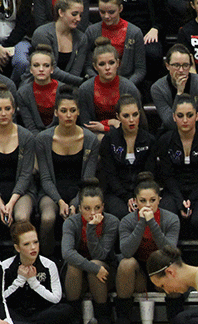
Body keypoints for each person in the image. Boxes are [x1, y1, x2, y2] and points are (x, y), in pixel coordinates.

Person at [2, 221, 96, 324]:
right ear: (17, 248)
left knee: (65, 309)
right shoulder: (5, 267)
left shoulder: (48, 264)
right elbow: (2, 300)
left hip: (39, 313)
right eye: (26, 244)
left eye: (35, 242)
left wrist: (34, 282)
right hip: (15, 313)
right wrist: (20, 280)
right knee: (14, 322)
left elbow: (56, 298)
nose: (33, 247)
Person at [34, 87, 100, 256]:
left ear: (78, 112)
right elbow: (46, 178)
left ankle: (77, 261)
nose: (68, 115)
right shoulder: (43, 139)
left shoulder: (90, 139)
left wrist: (75, 202)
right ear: (56, 113)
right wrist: (60, 202)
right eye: (64, 111)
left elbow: (88, 179)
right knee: (48, 218)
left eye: (72, 110)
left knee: (78, 216)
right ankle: (46, 261)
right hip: (51, 191)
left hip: (80, 191)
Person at [114, 172, 180, 324]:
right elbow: (126, 251)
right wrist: (142, 222)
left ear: (159, 199)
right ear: (135, 201)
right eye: (142, 201)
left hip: (162, 271)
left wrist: (152, 223)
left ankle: (175, 317)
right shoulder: (128, 221)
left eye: (152, 200)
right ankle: (123, 318)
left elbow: (169, 251)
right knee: (125, 263)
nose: (148, 205)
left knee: (175, 265)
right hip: (139, 275)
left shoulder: (171, 219)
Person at [155, 95, 198, 241]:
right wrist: (180, 200)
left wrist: (191, 199)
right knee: (167, 217)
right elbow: (167, 176)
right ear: (173, 117)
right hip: (173, 191)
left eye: (189, 115)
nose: (185, 120)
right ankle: (169, 258)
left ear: (197, 116)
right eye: (180, 115)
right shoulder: (165, 140)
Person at [60, 180, 118, 324]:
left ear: (103, 207)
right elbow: (66, 252)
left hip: (105, 274)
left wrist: (91, 228)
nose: (93, 213)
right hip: (79, 275)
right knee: (74, 265)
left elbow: (100, 254)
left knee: (96, 263)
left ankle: (103, 315)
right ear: (79, 208)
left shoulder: (112, 222)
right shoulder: (71, 222)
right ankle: (72, 316)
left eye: (97, 208)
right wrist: (92, 267)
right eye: (87, 208)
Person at [97, 95, 155, 220]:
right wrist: (126, 197)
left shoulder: (149, 140)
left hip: (142, 192)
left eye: (135, 115)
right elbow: (110, 174)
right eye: (126, 116)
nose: (131, 120)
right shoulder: (109, 140)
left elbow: (148, 172)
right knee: (121, 214)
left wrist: (138, 197)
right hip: (115, 192)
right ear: (118, 117)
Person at [77, 37, 143, 138]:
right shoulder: (85, 89)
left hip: (126, 136)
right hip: (95, 136)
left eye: (111, 63)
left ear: (118, 63)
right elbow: (87, 124)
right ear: (95, 66)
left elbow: (136, 124)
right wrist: (111, 122)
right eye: (102, 64)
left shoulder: (129, 88)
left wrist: (105, 127)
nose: (107, 68)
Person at [150, 44, 198, 136]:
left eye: (185, 65)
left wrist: (193, 140)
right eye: (176, 65)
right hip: (171, 134)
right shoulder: (157, 88)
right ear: (167, 66)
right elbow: (170, 123)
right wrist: (179, 93)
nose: (181, 70)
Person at [84, 0, 146, 86]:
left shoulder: (134, 32)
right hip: (98, 83)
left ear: (120, 9)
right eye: (102, 12)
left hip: (126, 83)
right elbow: (87, 66)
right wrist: (99, 81)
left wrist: (126, 85)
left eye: (111, 12)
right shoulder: (91, 31)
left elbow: (140, 70)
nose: (106, 16)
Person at [30, 0, 89, 87]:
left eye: (80, 15)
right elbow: (50, 70)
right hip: (40, 83)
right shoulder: (42, 34)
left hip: (70, 87)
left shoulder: (81, 38)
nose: (78, 19)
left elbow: (76, 72)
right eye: (74, 14)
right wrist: (82, 81)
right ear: (61, 12)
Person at [0, 89, 36, 234]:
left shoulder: (26, 136)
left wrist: (11, 203)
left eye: (7, 109)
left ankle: (22, 256)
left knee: (21, 217)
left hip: (22, 191)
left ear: (14, 110)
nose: (3, 113)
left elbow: (26, 174)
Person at [16, 45, 61, 134]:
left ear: (52, 69)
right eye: (36, 65)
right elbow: (30, 126)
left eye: (46, 65)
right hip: (35, 138)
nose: (41, 69)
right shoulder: (22, 93)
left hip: (60, 137)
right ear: (31, 69)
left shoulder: (63, 90)